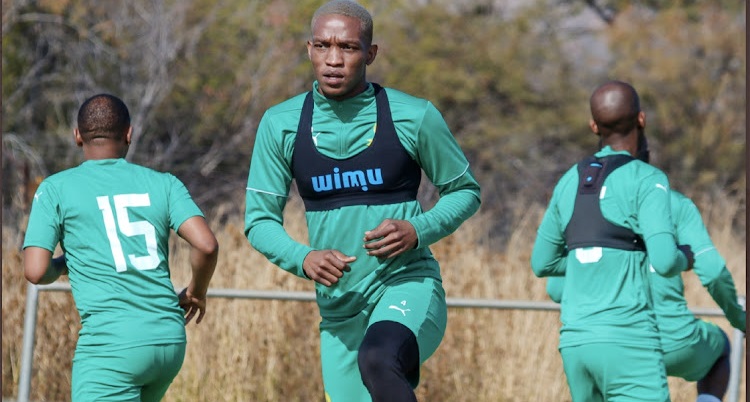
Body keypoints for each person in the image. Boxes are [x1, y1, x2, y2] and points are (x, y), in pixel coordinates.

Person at [243, 1, 481, 401]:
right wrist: (302, 258)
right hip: (339, 310)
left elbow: (466, 191)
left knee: (378, 358)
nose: (333, 59)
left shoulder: (414, 115)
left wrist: (417, 229)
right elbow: (258, 221)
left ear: (370, 54)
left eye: (348, 48)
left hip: (405, 285)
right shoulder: (280, 124)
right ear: (309, 49)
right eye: (323, 46)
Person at [23, 94, 219, 402]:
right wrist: (196, 291)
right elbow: (206, 245)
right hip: (168, 341)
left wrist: (65, 262)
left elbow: (34, 271)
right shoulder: (164, 183)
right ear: (129, 133)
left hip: (112, 348)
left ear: (77, 136)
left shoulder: (55, 189)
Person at [530, 80, 693, 402]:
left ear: (593, 126)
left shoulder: (568, 180)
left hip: (576, 343)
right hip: (629, 342)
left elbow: (542, 263)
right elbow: (664, 261)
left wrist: (594, 258)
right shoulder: (648, 179)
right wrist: (687, 256)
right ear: (641, 119)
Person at [546, 188, 746, 402]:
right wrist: (739, 318)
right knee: (721, 345)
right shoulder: (674, 204)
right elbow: (714, 274)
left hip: (608, 343)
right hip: (676, 341)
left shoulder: (585, 213)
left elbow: (556, 291)